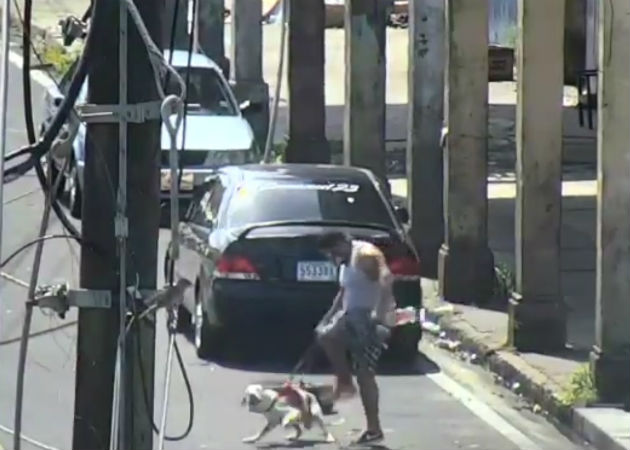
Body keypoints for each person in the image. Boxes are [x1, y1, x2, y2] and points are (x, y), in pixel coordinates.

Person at [316, 231, 396, 445]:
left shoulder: (365, 254)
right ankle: (344, 381)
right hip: (350, 316)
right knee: (326, 336)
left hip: (369, 321)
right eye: (328, 255)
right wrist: (327, 318)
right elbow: (343, 293)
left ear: (343, 242)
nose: (333, 258)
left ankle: (373, 428)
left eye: (333, 252)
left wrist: (379, 313)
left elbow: (386, 278)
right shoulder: (344, 259)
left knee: (365, 374)